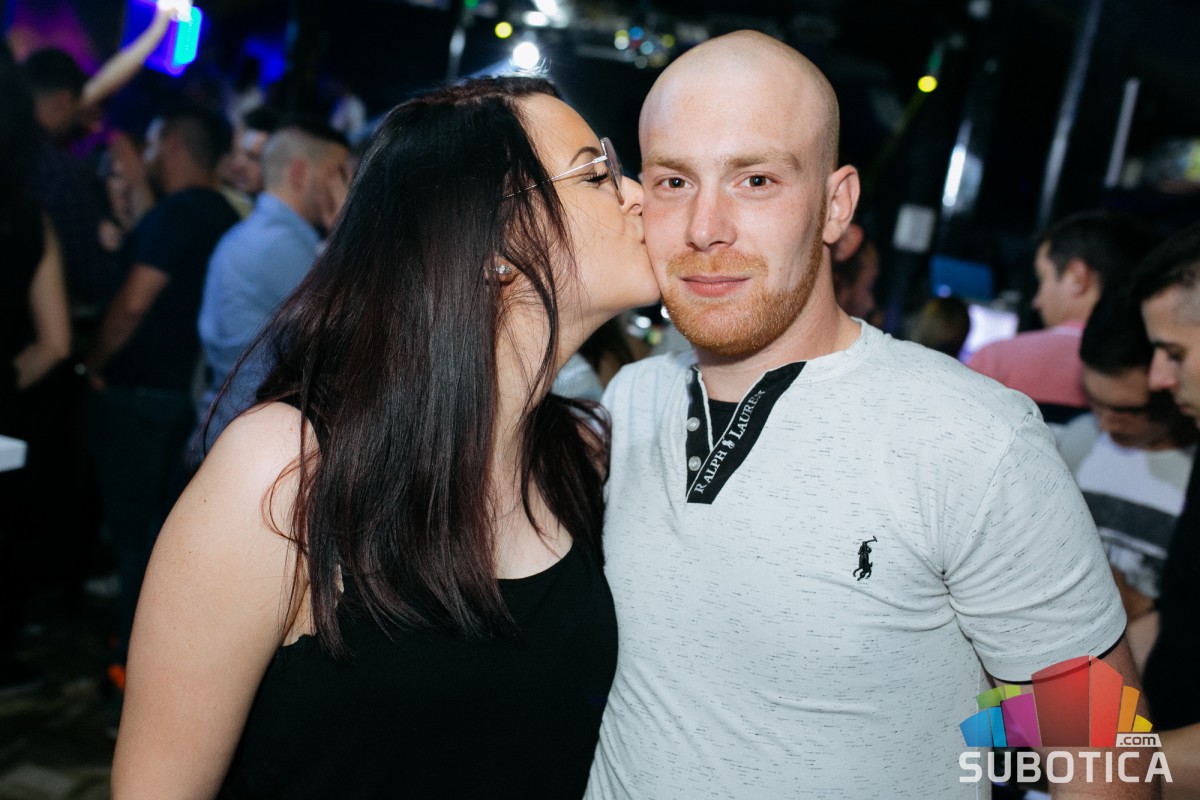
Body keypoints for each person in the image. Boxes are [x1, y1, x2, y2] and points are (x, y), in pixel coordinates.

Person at [587, 31, 1149, 798]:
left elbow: (1106, 762)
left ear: (835, 205)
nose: (705, 226)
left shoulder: (972, 438)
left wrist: (956, 741)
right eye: (674, 181)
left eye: (756, 180)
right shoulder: (629, 399)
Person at [112, 75, 659, 798]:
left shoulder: (578, 455)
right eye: (595, 174)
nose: (637, 194)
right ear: (492, 240)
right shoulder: (286, 472)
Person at [84, 105, 240, 660]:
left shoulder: (177, 214)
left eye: (151, 145)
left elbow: (133, 304)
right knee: (158, 539)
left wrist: (92, 364)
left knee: (134, 542)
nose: (147, 156)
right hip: (184, 398)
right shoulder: (223, 214)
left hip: (140, 397)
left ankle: (130, 665)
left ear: (173, 144)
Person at [197, 119, 350, 453]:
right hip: (249, 445)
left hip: (233, 431)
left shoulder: (254, 233)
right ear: (299, 172)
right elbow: (345, 336)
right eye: (337, 173)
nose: (347, 185)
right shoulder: (281, 246)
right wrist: (348, 233)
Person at [1058, 287, 1195, 623]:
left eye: (1128, 411)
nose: (1105, 425)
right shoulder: (1077, 439)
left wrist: (1136, 603)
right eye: (1093, 400)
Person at [969, 210, 1153, 427]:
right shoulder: (1154, 371)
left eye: (1042, 279)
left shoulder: (996, 361)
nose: (1036, 302)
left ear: (1078, 277)